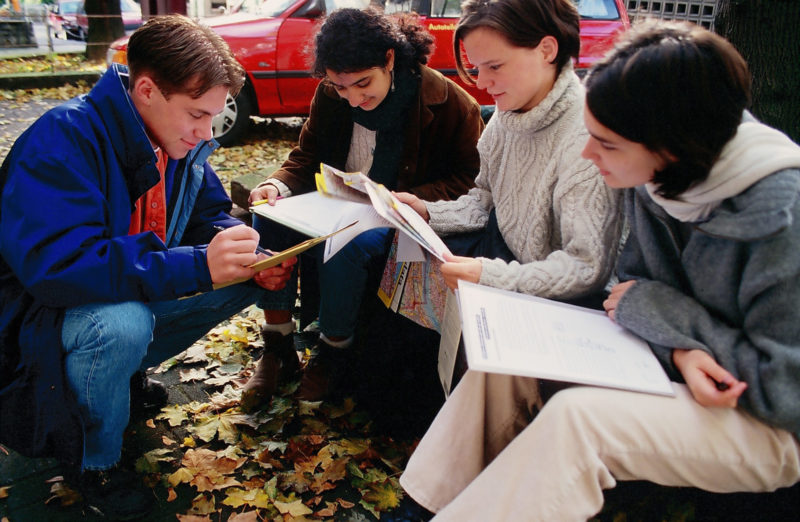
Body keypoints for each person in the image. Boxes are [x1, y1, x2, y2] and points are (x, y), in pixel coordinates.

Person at [398, 20, 800, 520]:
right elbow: (630, 291)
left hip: (771, 424)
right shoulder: (661, 179)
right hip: (680, 367)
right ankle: (422, 503)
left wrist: (679, 330)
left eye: (606, 144)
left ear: (671, 143)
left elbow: (784, 388)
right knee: (502, 363)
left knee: (578, 421)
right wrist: (678, 347)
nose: (589, 155)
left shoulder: (782, 215)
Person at [0, 15, 295, 520]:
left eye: (215, 117)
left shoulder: (179, 138)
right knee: (121, 325)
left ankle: (119, 378)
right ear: (146, 90)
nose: (208, 132)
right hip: (37, 322)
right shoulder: (61, 141)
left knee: (242, 276)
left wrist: (239, 248)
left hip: (113, 291)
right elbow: (60, 269)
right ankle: (95, 463)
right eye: (197, 116)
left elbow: (204, 215)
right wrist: (201, 265)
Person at [241, 7, 484, 405]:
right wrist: (275, 184)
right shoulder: (330, 96)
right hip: (336, 204)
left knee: (347, 244)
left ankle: (333, 350)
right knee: (268, 219)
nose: (352, 99)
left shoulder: (450, 102)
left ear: (390, 59)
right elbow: (306, 156)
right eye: (340, 86)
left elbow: (470, 181)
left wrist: (417, 200)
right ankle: (278, 345)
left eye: (362, 84)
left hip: (402, 219)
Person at [394, 0, 621, 315]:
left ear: (546, 50)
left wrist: (491, 277)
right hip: (502, 260)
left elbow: (586, 267)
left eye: (495, 66)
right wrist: (428, 212)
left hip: (555, 306)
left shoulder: (585, 140)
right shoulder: (507, 115)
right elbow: (485, 198)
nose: (482, 83)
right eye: (476, 68)